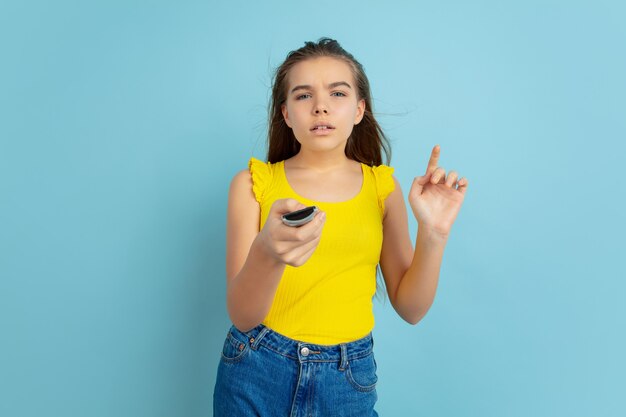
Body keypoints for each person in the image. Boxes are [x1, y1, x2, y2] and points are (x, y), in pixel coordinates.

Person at [213, 37, 468, 416]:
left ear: (359, 109)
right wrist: (269, 252)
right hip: (256, 366)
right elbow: (243, 315)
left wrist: (434, 233)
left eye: (337, 93)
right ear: (285, 113)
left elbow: (411, 309)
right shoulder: (253, 185)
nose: (320, 106)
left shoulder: (383, 189)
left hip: (347, 378)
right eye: (302, 96)